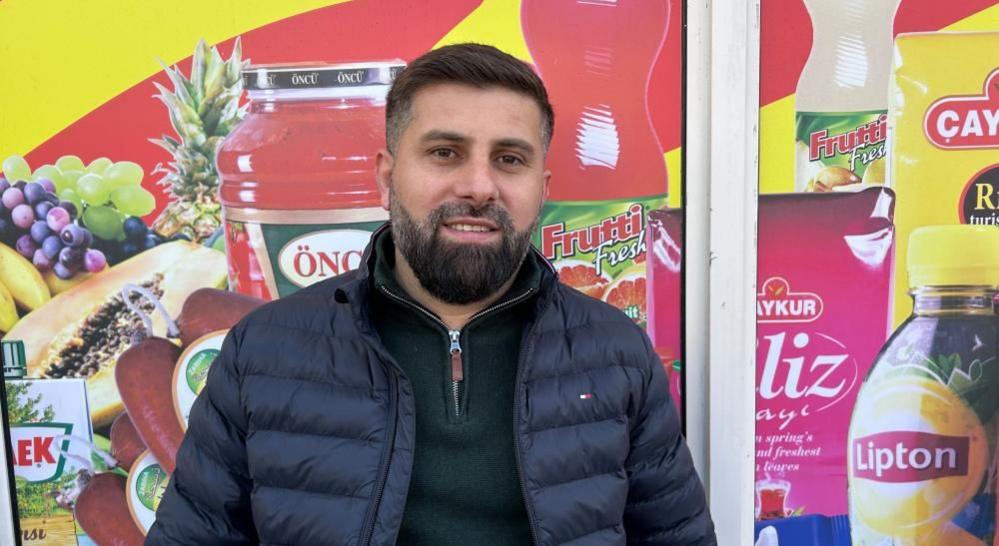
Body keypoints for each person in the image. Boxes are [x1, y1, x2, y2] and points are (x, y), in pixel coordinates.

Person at [147, 43, 715, 546]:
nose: (477, 185)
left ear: (541, 189)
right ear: (386, 177)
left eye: (509, 160)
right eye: (445, 152)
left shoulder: (615, 354)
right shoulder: (262, 353)